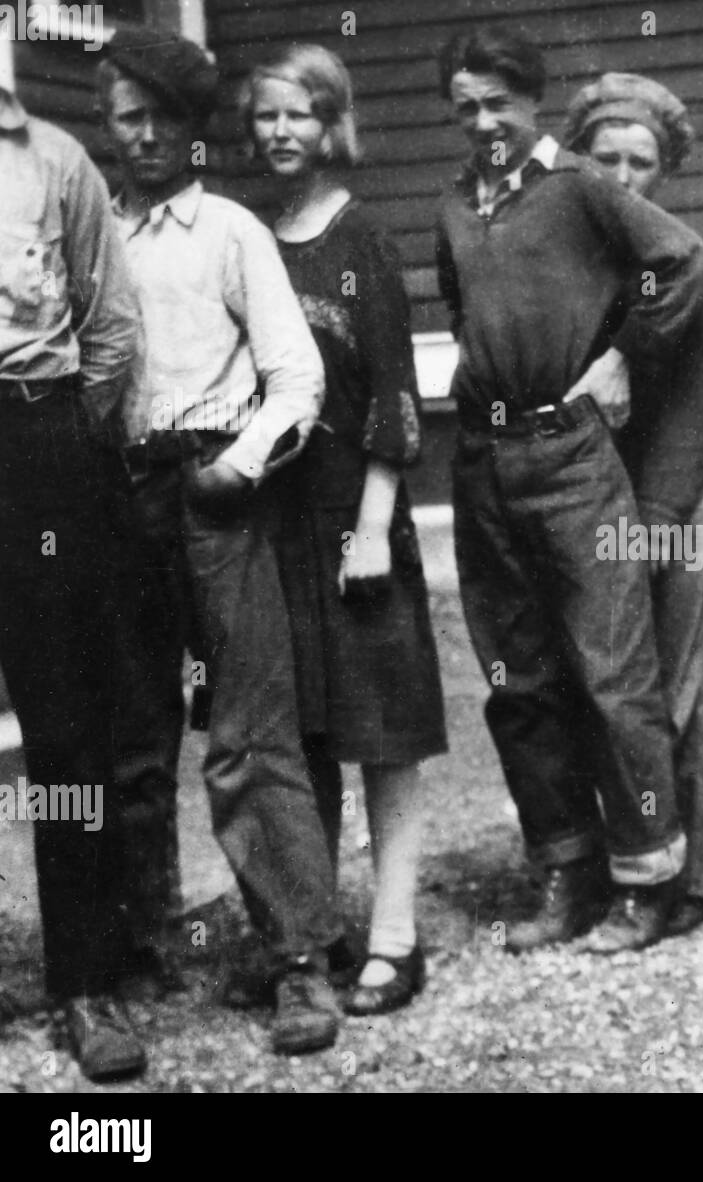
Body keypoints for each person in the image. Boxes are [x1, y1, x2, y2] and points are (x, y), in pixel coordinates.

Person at [434, 29, 703, 953]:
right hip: (482, 461)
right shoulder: (454, 207)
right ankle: (569, 874)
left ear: (532, 104)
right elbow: (470, 312)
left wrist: (620, 356)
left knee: (610, 672)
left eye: (500, 104)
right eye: (468, 106)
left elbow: (686, 265)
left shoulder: (580, 189)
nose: (485, 123)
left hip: (570, 459)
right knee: (519, 680)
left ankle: (650, 881)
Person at [99, 27, 345, 1053]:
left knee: (248, 735)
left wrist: (235, 466)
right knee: (129, 737)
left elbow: (298, 378)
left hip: (219, 494)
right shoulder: (88, 231)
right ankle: (131, 950)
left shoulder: (230, 231)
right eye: (126, 116)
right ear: (107, 127)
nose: (144, 134)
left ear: (193, 127)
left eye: (162, 116)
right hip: (120, 495)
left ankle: (299, 961)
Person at [246, 44, 447, 1014]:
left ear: (332, 125)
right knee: (303, 735)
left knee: (381, 729)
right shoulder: (250, 237)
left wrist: (371, 525)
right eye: (265, 117)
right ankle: (311, 939)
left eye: (298, 115)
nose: (280, 133)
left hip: (352, 516)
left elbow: (393, 394)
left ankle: (396, 940)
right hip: (272, 522)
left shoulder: (359, 238)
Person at [562, 72, 703, 936]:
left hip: (666, 504)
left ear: (664, 171)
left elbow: (698, 406)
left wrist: (662, 515)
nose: (623, 177)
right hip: (587, 500)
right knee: (608, 682)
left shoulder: (680, 266)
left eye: (641, 161)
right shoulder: (572, 258)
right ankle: (624, 854)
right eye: (606, 159)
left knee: (681, 683)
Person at [0, 80, 143, 1081]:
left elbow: (112, 321)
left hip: (36, 438)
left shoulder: (53, 159)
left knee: (63, 726)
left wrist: (60, 439)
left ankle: (86, 982)